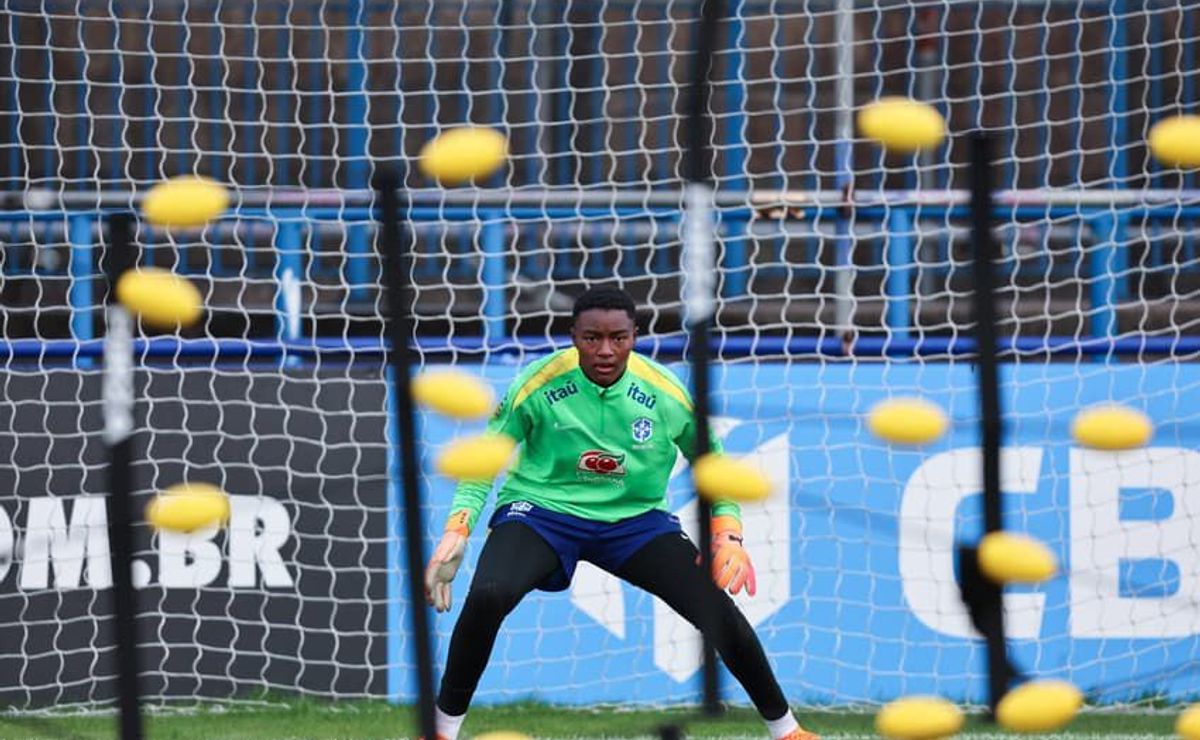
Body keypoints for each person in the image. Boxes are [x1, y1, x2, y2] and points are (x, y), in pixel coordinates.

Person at [424, 285, 817, 740]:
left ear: (635, 335)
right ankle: (440, 731)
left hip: (636, 522)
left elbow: (715, 464)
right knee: (489, 594)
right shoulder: (537, 383)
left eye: (618, 337)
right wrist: (458, 529)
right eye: (591, 338)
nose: (605, 350)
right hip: (542, 513)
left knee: (715, 609)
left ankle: (787, 731)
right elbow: (483, 459)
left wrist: (728, 534)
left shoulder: (665, 392)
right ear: (573, 336)